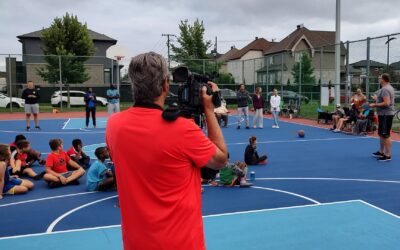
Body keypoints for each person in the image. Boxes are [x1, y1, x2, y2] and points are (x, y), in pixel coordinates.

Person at [106, 52, 228, 249]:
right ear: (165, 85)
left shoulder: (114, 125)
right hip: (180, 243)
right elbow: (220, 159)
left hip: (136, 242)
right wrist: (209, 110)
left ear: (133, 85)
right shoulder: (182, 129)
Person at [370, 73, 395, 161]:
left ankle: (387, 155)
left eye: (379, 78)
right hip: (384, 114)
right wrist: (377, 98)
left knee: (385, 135)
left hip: (386, 114)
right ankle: (381, 152)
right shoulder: (388, 88)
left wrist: (375, 104)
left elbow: (387, 103)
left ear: (383, 79)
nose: (378, 79)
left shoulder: (385, 89)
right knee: (381, 134)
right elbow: (385, 100)